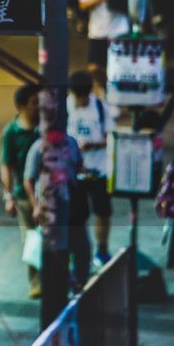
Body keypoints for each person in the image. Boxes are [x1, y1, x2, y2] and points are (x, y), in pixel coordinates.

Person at [23, 130, 91, 292]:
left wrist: (86, 176)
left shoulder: (72, 143)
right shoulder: (38, 148)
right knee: (58, 251)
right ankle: (58, 286)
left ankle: (79, 284)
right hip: (51, 208)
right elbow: (29, 180)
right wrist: (36, 205)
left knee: (82, 249)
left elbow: (80, 167)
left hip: (74, 206)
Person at [0, 83, 41, 298]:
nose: (39, 107)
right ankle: (36, 282)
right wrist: (8, 196)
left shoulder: (46, 128)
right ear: (21, 106)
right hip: (24, 197)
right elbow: (6, 165)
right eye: (35, 103)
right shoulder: (11, 133)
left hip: (48, 195)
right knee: (32, 240)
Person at [68, 69, 113, 265]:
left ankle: (101, 250)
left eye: (83, 97)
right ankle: (77, 251)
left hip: (98, 169)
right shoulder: (65, 107)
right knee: (76, 215)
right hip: (73, 171)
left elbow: (111, 137)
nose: (80, 101)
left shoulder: (101, 107)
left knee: (102, 212)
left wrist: (93, 144)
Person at [78, 0, 132, 88]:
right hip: (98, 30)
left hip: (119, 30)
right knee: (94, 68)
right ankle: (107, 90)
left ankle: (116, 93)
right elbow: (82, 5)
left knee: (120, 69)